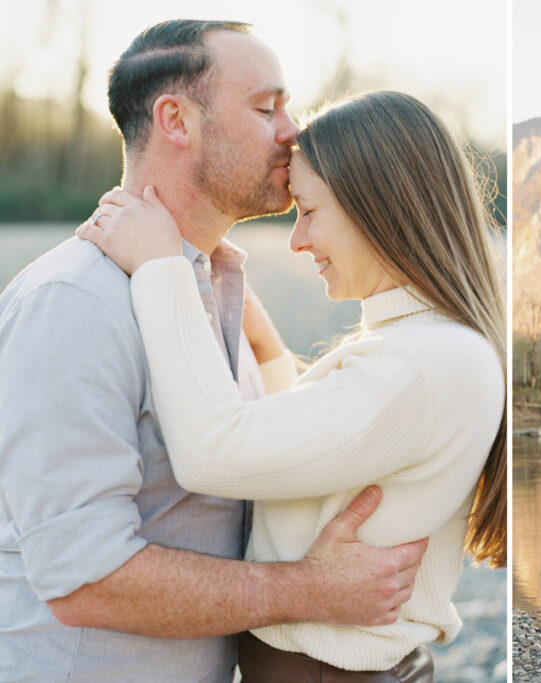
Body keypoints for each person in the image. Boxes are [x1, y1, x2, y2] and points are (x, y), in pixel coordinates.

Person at [0, 21, 426, 683]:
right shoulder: (75, 301)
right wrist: (311, 589)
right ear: (176, 120)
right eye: (266, 108)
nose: (293, 130)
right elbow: (84, 578)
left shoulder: (211, 287)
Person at [77, 89, 507, 681]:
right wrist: (272, 354)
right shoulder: (431, 345)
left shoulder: (426, 363)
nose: (298, 240)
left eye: (308, 210)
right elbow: (326, 453)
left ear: (377, 207)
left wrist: (160, 271)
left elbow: (212, 454)